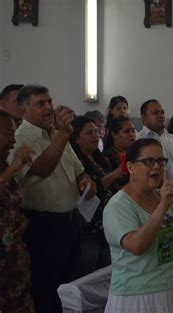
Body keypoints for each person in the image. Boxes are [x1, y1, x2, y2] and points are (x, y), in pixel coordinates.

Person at [11, 84, 96, 313]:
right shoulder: (22, 138)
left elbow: (79, 169)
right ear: (23, 111)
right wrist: (63, 134)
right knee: (46, 288)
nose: (48, 107)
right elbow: (42, 168)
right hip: (43, 226)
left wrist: (85, 180)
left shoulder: (55, 134)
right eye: (40, 103)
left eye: (49, 101)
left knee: (67, 285)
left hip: (70, 221)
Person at [103, 138, 173, 313]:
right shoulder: (118, 205)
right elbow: (136, 246)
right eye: (149, 161)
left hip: (169, 292)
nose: (157, 166)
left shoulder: (160, 197)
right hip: (137, 298)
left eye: (160, 161)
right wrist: (163, 206)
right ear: (130, 167)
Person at [70, 116, 124, 276]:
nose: (96, 136)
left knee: (105, 270)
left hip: (106, 223)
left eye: (96, 131)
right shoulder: (77, 162)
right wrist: (115, 174)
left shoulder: (99, 158)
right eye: (89, 133)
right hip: (89, 226)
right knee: (88, 271)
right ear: (77, 139)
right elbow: (93, 189)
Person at [0, 111, 34, 313]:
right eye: (8, 134)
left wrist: (23, 220)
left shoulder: (3, 164)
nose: (14, 141)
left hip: (13, 258)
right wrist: (14, 167)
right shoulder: (9, 167)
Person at [137, 99, 173, 168]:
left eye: (162, 112)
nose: (161, 116)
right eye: (155, 113)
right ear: (144, 118)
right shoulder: (137, 140)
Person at [103, 116, 136, 188]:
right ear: (115, 135)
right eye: (127, 131)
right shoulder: (107, 156)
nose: (132, 134)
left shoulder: (135, 153)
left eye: (133, 131)